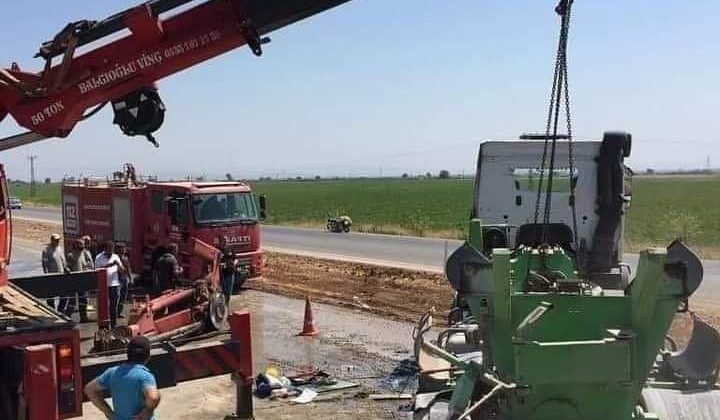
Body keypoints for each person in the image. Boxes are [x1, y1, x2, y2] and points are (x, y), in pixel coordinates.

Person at [85, 336, 160, 420]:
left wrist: (109, 414)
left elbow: (89, 389)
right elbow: (153, 398)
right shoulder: (145, 376)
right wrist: (148, 410)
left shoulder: (112, 373)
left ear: (128, 354)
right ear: (148, 357)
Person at [95, 241, 123, 328]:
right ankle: (104, 325)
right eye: (109, 249)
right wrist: (108, 265)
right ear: (105, 249)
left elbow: (122, 270)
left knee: (114, 306)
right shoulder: (99, 257)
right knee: (104, 306)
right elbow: (96, 270)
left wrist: (119, 265)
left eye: (112, 249)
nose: (111, 251)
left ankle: (114, 325)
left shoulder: (116, 257)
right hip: (104, 286)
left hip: (114, 284)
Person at [65, 238, 94, 322]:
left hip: (83, 281)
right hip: (73, 281)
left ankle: (83, 317)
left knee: (83, 300)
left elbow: (89, 265)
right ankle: (67, 318)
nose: (82, 246)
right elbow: (67, 266)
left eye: (83, 244)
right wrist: (67, 269)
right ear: (76, 245)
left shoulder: (85, 254)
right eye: (80, 244)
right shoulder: (71, 255)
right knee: (72, 301)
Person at [41, 233, 69, 312]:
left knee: (64, 295)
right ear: (52, 240)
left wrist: (65, 268)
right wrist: (47, 275)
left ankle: (60, 310)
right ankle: (52, 311)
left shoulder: (60, 248)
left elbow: (63, 260)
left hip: (61, 275)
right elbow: (44, 264)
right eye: (56, 240)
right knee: (51, 295)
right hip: (52, 276)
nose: (57, 242)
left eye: (58, 240)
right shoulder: (46, 250)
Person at [218, 236, 238, 305]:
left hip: (230, 274)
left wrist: (234, 264)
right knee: (221, 293)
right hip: (221, 275)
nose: (225, 242)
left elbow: (236, 258)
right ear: (220, 241)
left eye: (226, 241)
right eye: (224, 241)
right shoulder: (217, 250)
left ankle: (226, 306)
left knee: (228, 293)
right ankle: (220, 308)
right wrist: (221, 264)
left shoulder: (230, 249)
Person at [117, 243, 133, 318]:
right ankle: (114, 312)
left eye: (124, 248)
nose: (123, 250)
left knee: (123, 296)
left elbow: (128, 268)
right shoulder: (115, 258)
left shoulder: (125, 258)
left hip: (124, 279)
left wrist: (130, 278)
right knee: (117, 296)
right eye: (121, 248)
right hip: (117, 279)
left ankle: (119, 312)